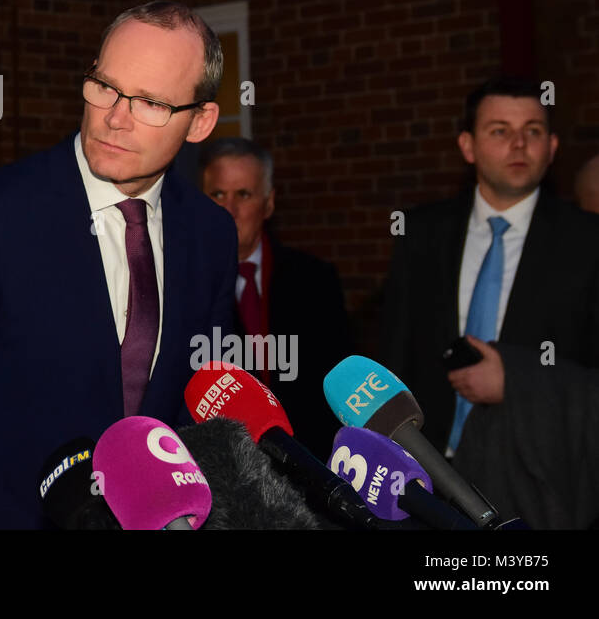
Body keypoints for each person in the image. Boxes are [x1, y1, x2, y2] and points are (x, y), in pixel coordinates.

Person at [0, 1, 237, 528]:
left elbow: (199, 412)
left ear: (200, 122)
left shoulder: (211, 233)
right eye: (104, 86)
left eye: (151, 102)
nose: (114, 116)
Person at [380, 76, 599, 527]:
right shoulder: (422, 234)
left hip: (538, 480)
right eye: (500, 130)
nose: (519, 144)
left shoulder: (588, 242)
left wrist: (516, 379)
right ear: (468, 145)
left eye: (533, 131)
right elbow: (394, 351)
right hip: (424, 477)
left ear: (553, 146)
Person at [198, 137, 351, 461]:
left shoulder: (315, 280)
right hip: (220, 469)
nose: (230, 209)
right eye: (218, 194)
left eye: (244, 194)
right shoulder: (182, 285)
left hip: (310, 465)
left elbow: (339, 387)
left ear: (268, 204)